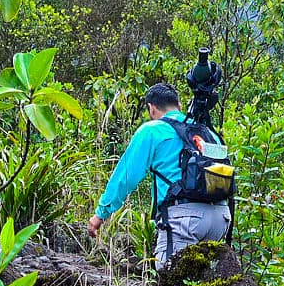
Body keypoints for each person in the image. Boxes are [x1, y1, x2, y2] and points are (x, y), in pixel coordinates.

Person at [87, 82, 231, 269]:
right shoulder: (208, 132)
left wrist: (101, 214)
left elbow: (126, 177)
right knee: (205, 280)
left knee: (170, 277)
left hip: (184, 220)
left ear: (151, 108)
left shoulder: (152, 130)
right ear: (179, 105)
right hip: (220, 218)